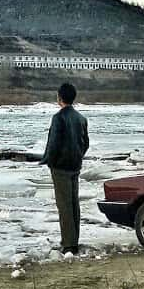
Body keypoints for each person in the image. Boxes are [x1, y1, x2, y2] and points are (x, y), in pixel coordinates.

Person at [39, 82, 89, 255]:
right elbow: (85, 144)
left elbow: (53, 144)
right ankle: (73, 240)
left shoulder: (58, 118)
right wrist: (78, 157)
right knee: (74, 204)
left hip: (60, 167)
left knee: (64, 205)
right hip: (75, 166)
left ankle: (68, 244)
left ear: (59, 98)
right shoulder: (81, 118)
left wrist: (48, 161)